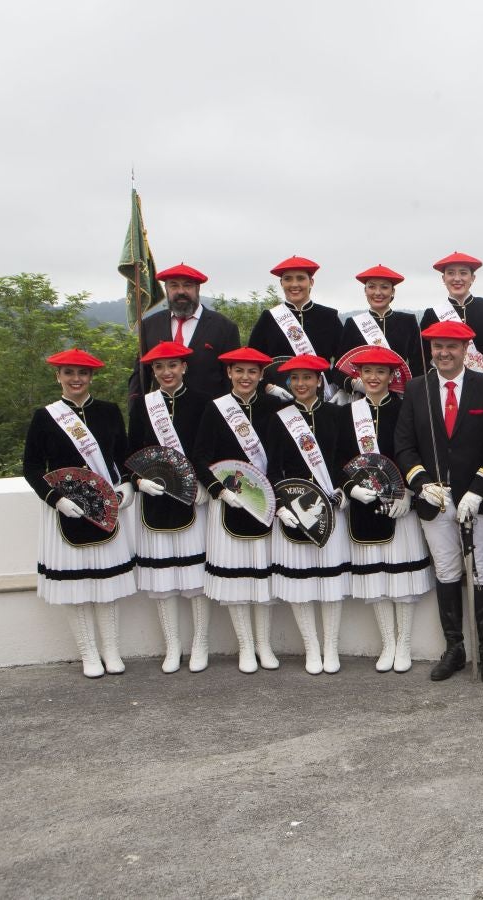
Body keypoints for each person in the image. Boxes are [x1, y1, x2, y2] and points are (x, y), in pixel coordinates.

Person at [395, 319, 483, 683]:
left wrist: (478, 488)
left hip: (477, 501)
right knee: (446, 572)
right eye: (438, 347)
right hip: (435, 500)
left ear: (465, 350)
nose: (444, 353)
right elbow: (404, 443)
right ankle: (455, 648)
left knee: (480, 574)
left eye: (452, 347)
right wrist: (422, 482)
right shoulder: (416, 389)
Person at [22, 349, 136, 678]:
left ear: (91, 377)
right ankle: (88, 653)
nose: (76, 379)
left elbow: (123, 456)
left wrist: (127, 485)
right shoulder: (45, 417)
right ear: (58, 376)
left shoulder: (109, 412)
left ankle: (111, 651)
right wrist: (54, 498)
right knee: (76, 587)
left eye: (82, 373)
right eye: (69, 373)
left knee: (106, 584)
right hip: (65, 511)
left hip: (104, 507)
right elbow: (31, 468)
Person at [337, 345, 433, 673]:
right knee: (376, 580)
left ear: (392, 376)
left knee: (401, 581)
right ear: (358, 376)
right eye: (367, 372)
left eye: (381, 372)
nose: (374, 377)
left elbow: (416, 453)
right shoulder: (348, 413)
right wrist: (351, 489)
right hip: (363, 507)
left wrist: (409, 492)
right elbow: (339, 461)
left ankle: (404, 644)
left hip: (400, 507)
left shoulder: (406, 409)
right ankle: (387, 643)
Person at [191, 346, 285, 673]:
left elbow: (283, 456)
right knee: (236, 580)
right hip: (229, 503)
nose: (245, 377)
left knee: (263, 579)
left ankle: (264, 645)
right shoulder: (216, 409)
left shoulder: (276, 408)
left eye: (252, 372)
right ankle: (246, 646)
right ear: (229, 373)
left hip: (265, 503)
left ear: (261, 375)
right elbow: (200, 456)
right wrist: (218, 490)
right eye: (239, 371)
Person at [127, 340, 214, 673]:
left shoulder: (203, 403)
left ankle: (200, 644)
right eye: (159, 367)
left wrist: (205, 485)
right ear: (153, 371)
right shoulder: (142, 406)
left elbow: (208, 451)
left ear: (184, 367)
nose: (167, 372)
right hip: (155, 501)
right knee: (164, 583)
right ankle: (172, 647)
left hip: (193, 500)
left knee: (195, 581)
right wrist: (137, 481)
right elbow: (131, 453)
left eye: (173, 365)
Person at [263, 354, 350, 675]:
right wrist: (280, 505)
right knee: (301, 584)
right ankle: (312, 648)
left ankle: (331, 647)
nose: (301, 384)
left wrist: (343, 489)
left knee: (330, 583)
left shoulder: (336, 415)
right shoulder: (279, 418)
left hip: (330, 507)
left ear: (318, 381)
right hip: (294, 508)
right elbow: (272, 467)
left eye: (307, 378)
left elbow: (345, 460)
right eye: (294, 379)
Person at [127, 263, 240, 406]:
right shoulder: (149, 326)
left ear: (198, 288)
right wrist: (135, 410)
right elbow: (140, 374)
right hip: (162, 417)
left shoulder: (225, 327)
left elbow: (231, 378)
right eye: (174, 286)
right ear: (166, 289)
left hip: (209, 416)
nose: (181, 291)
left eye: (187, 285)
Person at [248, 256, 344, 399]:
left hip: (322, 396)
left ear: (311, 282)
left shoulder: (329, 317)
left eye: (300, 278)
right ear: (281, 283)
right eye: (287, 279)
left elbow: (341, 360)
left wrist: (342, 387)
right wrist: (266, 387)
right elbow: (252, 361)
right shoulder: (268, 318)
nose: (294, 284)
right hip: (280, 396)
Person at [336, 264, 425, 390]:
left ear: (392, 291)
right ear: (365, 291)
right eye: (372, 287)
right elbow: (340, 370)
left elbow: (418, 367)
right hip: (362, 398)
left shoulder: (407, 322)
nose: (378, 293)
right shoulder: (353, 323)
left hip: (399, 399)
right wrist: (354, 384)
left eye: (384, 287)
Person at [418, 251, 483, 373]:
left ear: (472, 278)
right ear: (444, 279)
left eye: (463, 273)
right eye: (450, 273)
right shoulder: (431, 315)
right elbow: (422, 357)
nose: (457, 278)